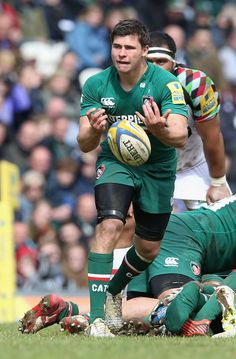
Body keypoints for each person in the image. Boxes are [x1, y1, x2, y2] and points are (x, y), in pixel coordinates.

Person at [77, 18, 188, 337]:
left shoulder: (165, 83)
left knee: (149, 248)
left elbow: (179, 136)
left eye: (129, 47)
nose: (121, 53)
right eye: (116, 46)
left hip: (158, 168)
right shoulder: (96, 84)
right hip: (116, 162)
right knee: (109, 223)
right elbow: (84, 143)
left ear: (142, 51)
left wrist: (158, 128)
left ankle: (114, 290)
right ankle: (98, 320)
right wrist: (94, 130)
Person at [19, 195, 236, 337]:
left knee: (147, 309)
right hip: (183, 238)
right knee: (179, 307)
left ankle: (73, 313)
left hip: (195, 247)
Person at [146, 31, 231, 210]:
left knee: (218, 228)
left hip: (196, 163)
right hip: (152, 169)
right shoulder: (125, 82)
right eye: (148, 62)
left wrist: (218, 182)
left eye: (161, 62)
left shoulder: (197, 85)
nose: (154, 68)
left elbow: (212, 137)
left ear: (173, 62)